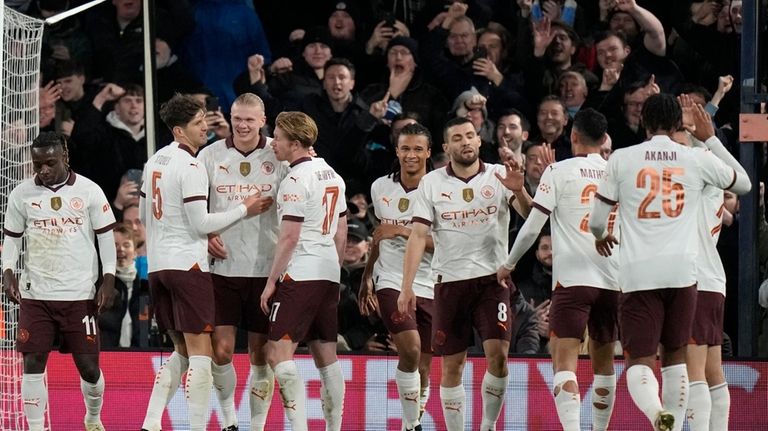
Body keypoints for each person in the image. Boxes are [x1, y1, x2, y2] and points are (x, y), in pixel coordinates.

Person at [588, 94, 751, 431]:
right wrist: (710, 139)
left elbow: (597, 221)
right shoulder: (695, 158)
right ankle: (673, 425)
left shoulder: (622, 158)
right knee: (678, 358)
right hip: (686, 273)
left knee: (640, 360)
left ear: (643, 124)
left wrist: (601, 234)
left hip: (638, 273)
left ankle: (656, 415)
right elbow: (744, 184)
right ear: (678, 124)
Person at [138, 94, 264, 431]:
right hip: (188, 267)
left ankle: (150, 423)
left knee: (179, 351)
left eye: (204, 120)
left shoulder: (154, 162)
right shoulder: (191, 165)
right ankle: (196, 426)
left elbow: (141, 214)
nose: (204, 127)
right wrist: (244, 209)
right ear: (179, 130)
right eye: (197, 124)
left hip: (158, 267)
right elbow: (201, 225)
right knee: (201, 354)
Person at [497, 108, 620, 431]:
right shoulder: (616, 172)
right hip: (612, 279)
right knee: (604, 365)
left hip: (572, 282)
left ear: (573, 136)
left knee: (564, 363)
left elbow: (532, 227)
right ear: (604, 139)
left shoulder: (560, 171)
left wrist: (508, 264)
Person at [399, 117, 523, 431]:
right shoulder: (432, 182)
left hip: (491, 281)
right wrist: (406, 287)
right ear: (446, 147)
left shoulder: (498, 174)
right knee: (452, 365)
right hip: (449, 283)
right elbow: (417, 236)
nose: (465, 142)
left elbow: (529, 214)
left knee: (499, 357)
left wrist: (520, 190)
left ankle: (488, 425)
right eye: (457, 138)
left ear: (479, 141)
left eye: (470, 136)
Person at [1, 131, 118, 431]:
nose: (43, 170)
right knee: (32, 363)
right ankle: (37, 428)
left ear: (65, 157)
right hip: (36, 294)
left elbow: (106, 239)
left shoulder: (90, 191)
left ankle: (92, 418)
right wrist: (8, 271)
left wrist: (108, 279)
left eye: (49, 163)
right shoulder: (21, 194)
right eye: (37, 164)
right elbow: (12, 239)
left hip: (79, 295)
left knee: (90, 369)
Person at [196, 93, 285, 431]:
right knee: (221, 351)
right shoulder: (209, 155)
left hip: (266, 269)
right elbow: (193, 207)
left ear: (263, 119)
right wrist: (205, 237)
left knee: (260, 356)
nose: (243, 125)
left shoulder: (280, 154)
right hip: (223, 269)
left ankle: (257, 425)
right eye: (237, 118)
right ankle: (230, 421)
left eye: (250, 119)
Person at [259, 111, 348, 431]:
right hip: (327, 273)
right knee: (326, 355)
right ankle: (333, 427)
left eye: (279, 138)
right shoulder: (331, 174)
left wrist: (271, 282)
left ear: (296, 144)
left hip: (301, 273)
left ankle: (299, 426)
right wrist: (334, 270)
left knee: (277, 354)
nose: (274, 144)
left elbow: (290, 237)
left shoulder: (294, 181)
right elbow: (342, 228)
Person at [359, 123, 435, 431]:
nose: (411, 155)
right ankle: (410, 424)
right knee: (412, 349)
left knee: (425, 368)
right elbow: (379, 236)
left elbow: (444, 242)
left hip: (432, 282)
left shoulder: (440, 188)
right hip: (390, 278)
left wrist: (404, 230)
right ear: (397, 150)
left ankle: (413, 421)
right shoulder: (380, 187)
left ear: (429, 152)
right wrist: (366, 275)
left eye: (418, 148)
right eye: (405, 148)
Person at [680, 98, 748, 430]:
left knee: (693, 370)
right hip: (709, 277)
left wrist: (710, 138)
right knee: (710, 370)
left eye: (681, 124)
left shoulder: (699, 162)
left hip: (693, 277)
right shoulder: (697, 163)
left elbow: (744, 182)